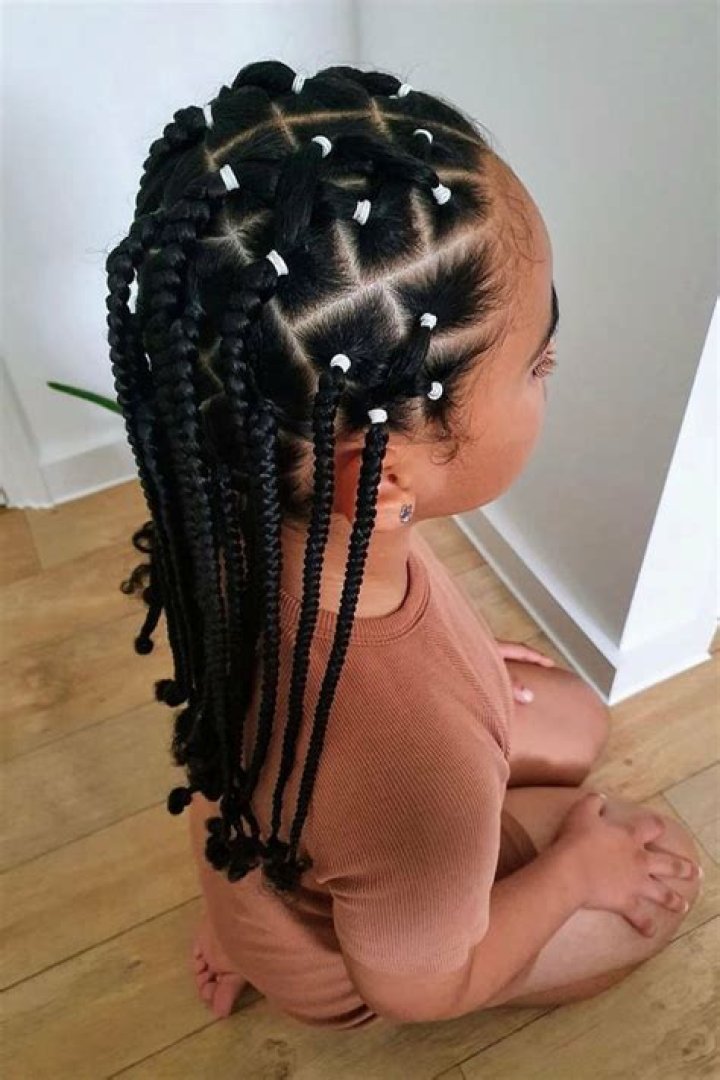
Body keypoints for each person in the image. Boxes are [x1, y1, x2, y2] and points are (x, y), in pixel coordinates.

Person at [106, 59, 703, 1029]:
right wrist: (571, 877)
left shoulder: (232, 507)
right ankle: (272, 949)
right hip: (365, 955)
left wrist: (454, 656)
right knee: (649, 886)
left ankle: (246, 918)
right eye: (538, 361)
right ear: (380, 481)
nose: (553, 371)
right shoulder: (414, 775)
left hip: (284, 844)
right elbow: (422, 986)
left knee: (577, 725)